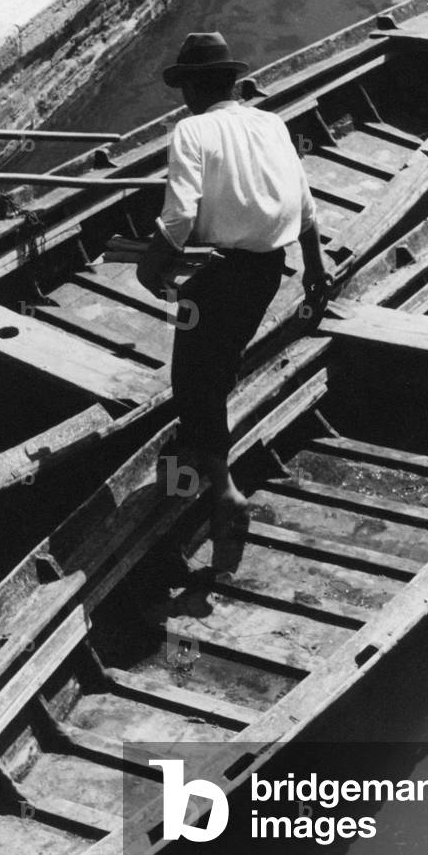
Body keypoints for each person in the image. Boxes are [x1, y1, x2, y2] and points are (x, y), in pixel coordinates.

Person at [137, 31, 330, 540]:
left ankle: (222, 488)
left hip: (215, 273)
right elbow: (303, 202)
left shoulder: (192, 131)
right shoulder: (271, 122)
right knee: (220, 364)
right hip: (269, 269)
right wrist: (315, 266)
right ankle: (200, 448)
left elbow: (178, 217)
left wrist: (147, 268)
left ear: (194, 89)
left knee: (192, 379)